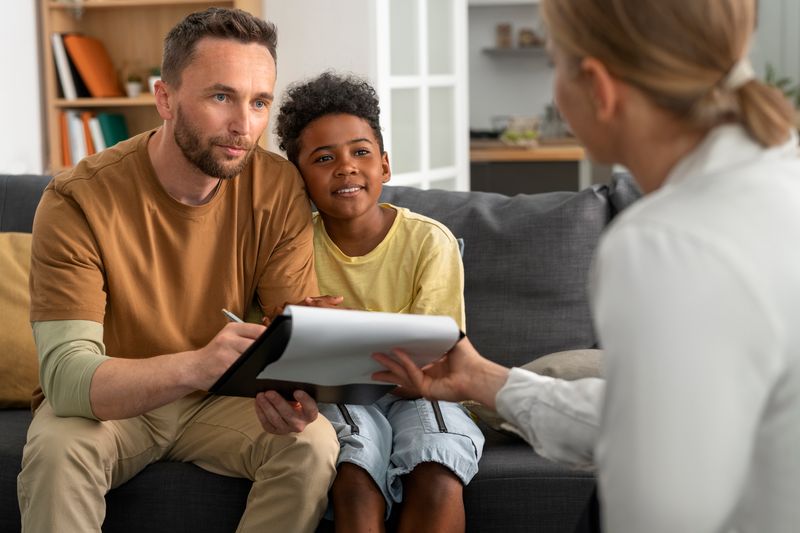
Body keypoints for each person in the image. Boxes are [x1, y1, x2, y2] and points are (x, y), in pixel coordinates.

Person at [373, 0, 800, 532]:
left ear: (597, 85)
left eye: (556, 63)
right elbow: (648, 420)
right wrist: (485, 379)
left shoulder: (665, 242)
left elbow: (661, 514)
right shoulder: (776, 180)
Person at [19, 8, 339, 533]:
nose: (244, 125)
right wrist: (196, 365)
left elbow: (287, 338)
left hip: (221, 405)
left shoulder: (278, 187)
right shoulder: (76, 198)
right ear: (164, 98)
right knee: (57, 448)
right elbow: (67, 381)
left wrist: (299, 383)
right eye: (221, 97)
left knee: (311, 442)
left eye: (259, 102)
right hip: (113, 406)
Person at [264, 71, 485, 533]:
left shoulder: (430, 242)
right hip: (338, 396)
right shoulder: (290, 244)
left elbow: (434, 364)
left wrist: (339, 330)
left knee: (439, 465)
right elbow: (277, 347)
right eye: (323, 158)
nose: (345, 167)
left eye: (360, 152)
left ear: (384, 166)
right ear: (299, 178)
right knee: (353, 464)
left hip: (419, 392)